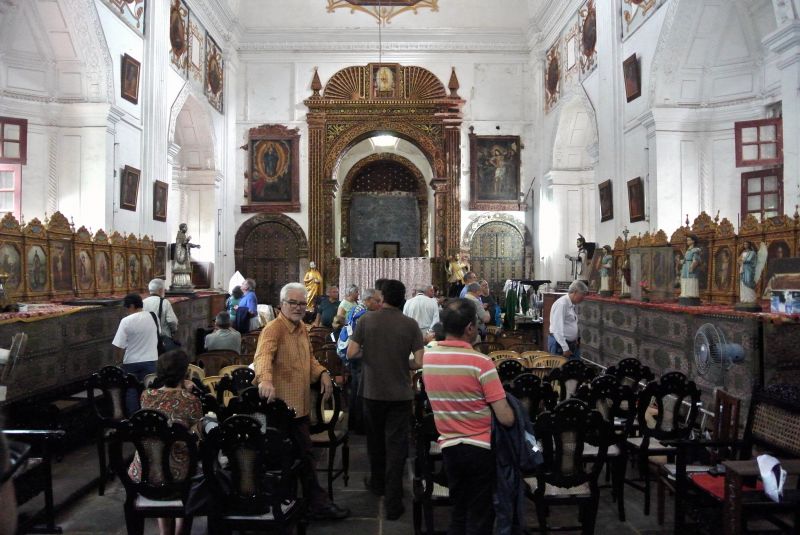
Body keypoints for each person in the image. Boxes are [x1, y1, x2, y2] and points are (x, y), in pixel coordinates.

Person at [253, 282, 350, 521]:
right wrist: (265, 380)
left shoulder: (301, 329)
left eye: (301, 303)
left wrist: (323, 373)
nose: (297, 308)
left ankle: (302, 505)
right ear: (281, 305)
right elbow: (262, 357)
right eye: (292, 303)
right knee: (295, 460)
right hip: (281, 410)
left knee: (303, 459)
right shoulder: (274, 329)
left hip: (300, 408)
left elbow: (309, 360)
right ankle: (305, 506)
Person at [423, 299, 515, 535]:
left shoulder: (429, 358)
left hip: (449, 445)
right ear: (470, 328)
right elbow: (505, 418)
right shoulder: (481, 363)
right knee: (481, 514)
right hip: (480, 447)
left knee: (459, 510)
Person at [347, 279, 424, 520]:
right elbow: (419, 362)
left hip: (372, 391)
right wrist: (403, 362)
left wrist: (370, 356)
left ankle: (378, 484)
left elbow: (351, 352)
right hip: (400, 394)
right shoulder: (411, 324)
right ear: (402, 299)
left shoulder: (367, 319)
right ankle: (394, 499)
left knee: (376, 442)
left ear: (383, 298)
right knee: (397, 445)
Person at [127, 349, 202, 535]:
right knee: (190, 464)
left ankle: (164, 532)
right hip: (177, 480)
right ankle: (179, 531)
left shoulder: (146, 396)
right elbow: (197, 440)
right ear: (185, 373)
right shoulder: (191, 401)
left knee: (157, 453)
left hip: (144, 476)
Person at [338, 287, 382, 434]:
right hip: (357, 356)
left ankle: (354, 424)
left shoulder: (355, 310)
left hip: (354, 356)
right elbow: (360, 339)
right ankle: (360, 426)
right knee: (360, 391)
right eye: (377, 301)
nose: (380, 305)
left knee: (356, 389)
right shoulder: (363, 315)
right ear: (368, 300)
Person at [112, 293, 159, 413]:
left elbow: (119, 345)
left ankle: (134, 417)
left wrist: (118, 361)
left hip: (131, 362)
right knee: (150, 390)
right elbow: (158, 334)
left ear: (132, 306)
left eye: (127, 308)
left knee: (131, 390)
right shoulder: (154, 317)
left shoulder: (126, 321)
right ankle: (150, 415)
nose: (127, 311)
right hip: (151, 360)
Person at [548, 280, 587, 361]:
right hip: (559, 345)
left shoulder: (571, 304)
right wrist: (565, 347)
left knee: (574, 369)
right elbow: (557, 329)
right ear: (575, 292)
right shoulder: (562, 304)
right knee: (560, 371)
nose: (583, 298)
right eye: (582, 295)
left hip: (569, 344)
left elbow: (570, 323)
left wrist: (575, 339)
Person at [680, 234, 702, 301]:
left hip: (690, 266)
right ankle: (685, 294)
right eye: (687, 240)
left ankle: (691, 294)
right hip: (685, 266)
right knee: (684, 280)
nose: (687, 241)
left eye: (689, 240)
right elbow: (685, 259)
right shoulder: (688, 250)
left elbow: (696, 260)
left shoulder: (695, 250)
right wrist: (681, 261)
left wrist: (692, 266)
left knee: (691, 280)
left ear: (693, 241)